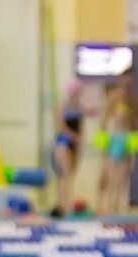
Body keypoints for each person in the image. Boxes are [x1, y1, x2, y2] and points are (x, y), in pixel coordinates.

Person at [52, 81, 83, 214]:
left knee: (70, 175)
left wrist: (80, 142)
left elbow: (81, 129)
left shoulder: (79, 108)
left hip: (75, 144)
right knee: (64, 175)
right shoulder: (61, 107)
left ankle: (67, 204)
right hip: (63, 143)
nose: (75, 95)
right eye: (74, 93)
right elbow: (60, 127)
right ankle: (64, 204)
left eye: (77, 93)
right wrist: (74, 137)